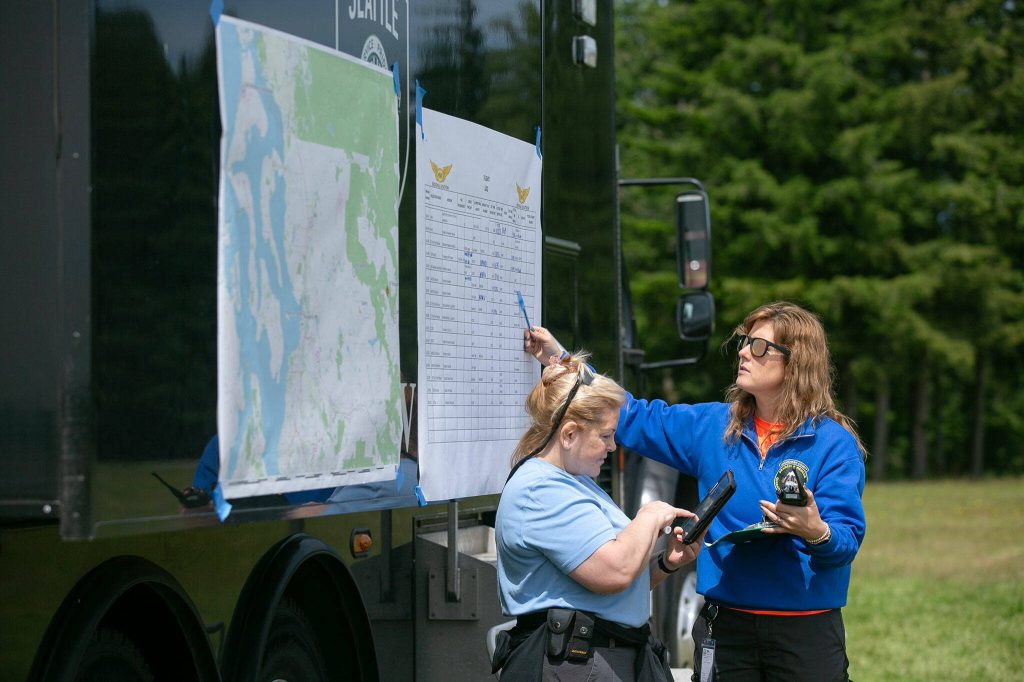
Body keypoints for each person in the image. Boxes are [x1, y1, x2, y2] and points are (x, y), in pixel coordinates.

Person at [525, 302, 867, 682]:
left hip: (807, 633)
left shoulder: (834, 443)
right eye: (744, 342)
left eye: (758, 346)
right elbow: (631, 415)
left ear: (796, 362)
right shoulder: (713, 426)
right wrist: (562, 359)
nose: (742, 352)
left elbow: (845, 543)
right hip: (726, 627)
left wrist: (814, 530)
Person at [493, 352, 706, 681]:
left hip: (595, 657)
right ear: (568, 435)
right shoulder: (540, 490)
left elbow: (613, 590)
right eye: (605, 436)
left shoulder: (574, 481)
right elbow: (615, 572)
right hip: (574, 662)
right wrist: (649, 516)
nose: (612, 447)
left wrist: (666, 564)